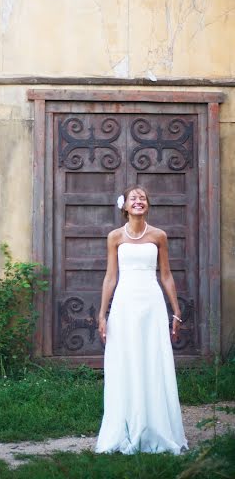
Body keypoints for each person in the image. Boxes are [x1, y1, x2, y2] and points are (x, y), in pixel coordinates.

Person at [95, 185, 188, 455]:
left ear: (147, 205)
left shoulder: (159, 236)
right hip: (124, 304)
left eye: (143, 197)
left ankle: (155, 426)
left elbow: (166, 275)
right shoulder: (114, 237)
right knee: (126, 360)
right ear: (125, 207)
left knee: (152, 360)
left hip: (152, 305)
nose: (138, 201)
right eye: (133, 197)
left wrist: (176, 311)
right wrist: (103, 312)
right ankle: (125, 427)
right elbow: (111, 277)